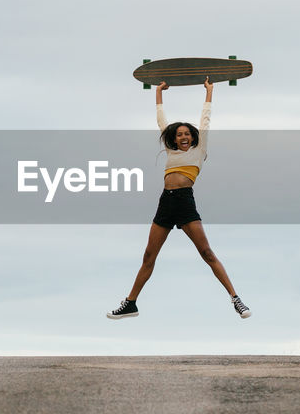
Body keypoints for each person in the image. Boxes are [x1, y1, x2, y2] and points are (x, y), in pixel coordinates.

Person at [107, 77, 251, 320]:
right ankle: (130, 303)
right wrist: (159, 93)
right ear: (174, 138)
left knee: (206, 252)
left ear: (193, 138)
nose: (184, 136)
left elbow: (205, 120)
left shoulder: (199, 150)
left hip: (185, 202)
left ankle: (236, 299)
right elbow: (161, 121)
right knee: (148, 257)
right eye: (179, 134)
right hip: (166, 202)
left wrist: (209, 92)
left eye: (187, 134)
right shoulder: (171, 151)